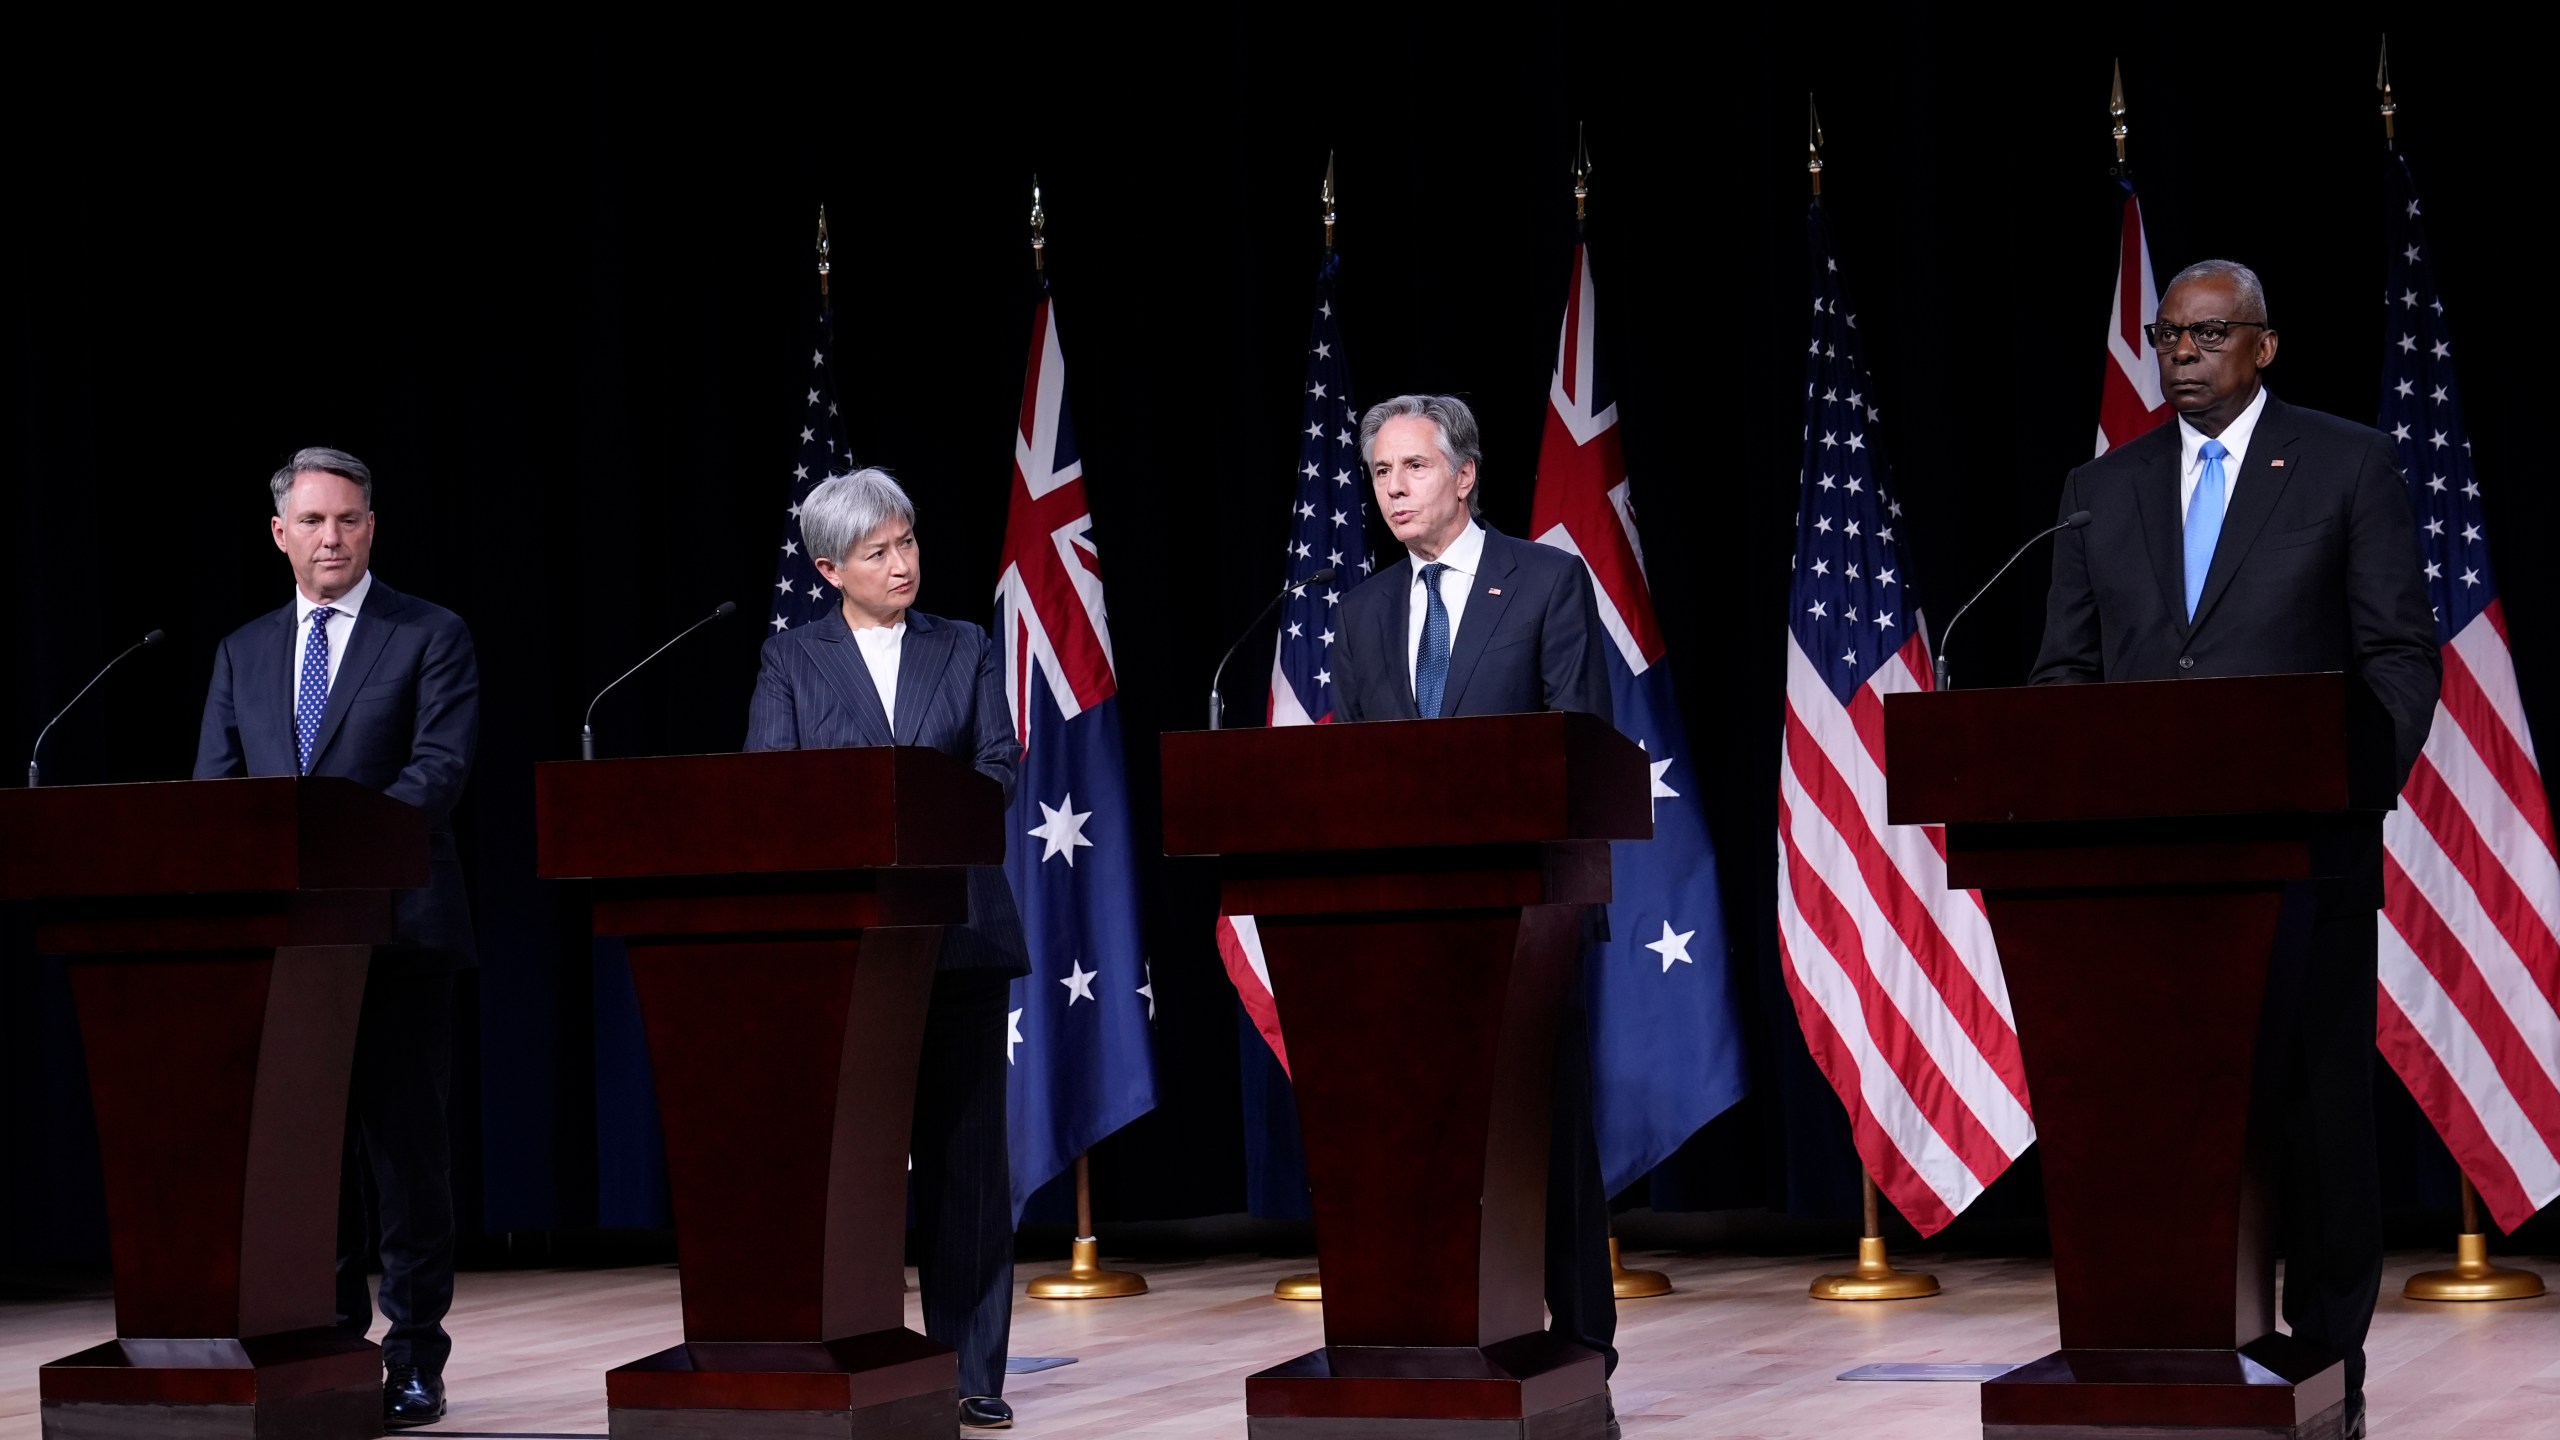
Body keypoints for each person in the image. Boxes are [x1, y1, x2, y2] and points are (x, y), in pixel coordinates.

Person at [2030, 260, 2439, 1440]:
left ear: (2263, 346)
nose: (2182, 354)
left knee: (2315, 1120)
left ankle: (2325, 1363)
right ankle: (2170, 1350)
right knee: (2164, 1121)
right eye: (2167, 335)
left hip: (2304, 858)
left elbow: (2399, 655)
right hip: (2142, 882)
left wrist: (2349, 786)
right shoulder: (2096, 489)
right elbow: (2066, 676)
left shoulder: (2344, 462)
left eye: (2208, 335)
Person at [1329, 394, 1619, 1429]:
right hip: (1401, 928)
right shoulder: (1359, 612)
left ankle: (1581, 1337)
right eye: (1380, 473)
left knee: (1547, 1131)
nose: (1395, 488)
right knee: (1424, 1138)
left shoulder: (1544, 582)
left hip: (1526, 921)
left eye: (1413, 467)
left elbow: (1578, 748)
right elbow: (1349, 768)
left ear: (1465, 476)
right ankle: (1438, 1330)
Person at [196, 446, 481, 1429]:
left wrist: (331, 856)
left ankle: (413, 1361)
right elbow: (219, 796)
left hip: (399, 936)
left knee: (407, 1164)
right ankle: (327, 1345)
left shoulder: (428, 634)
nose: (332, 537)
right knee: (307, 1164)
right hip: (289, 952)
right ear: (280, 535)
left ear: (371, 527)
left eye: (349, 519)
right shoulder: (242, 651)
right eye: (313, 522)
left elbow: (437, 774)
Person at [744, 467, 1026, 1432]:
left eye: (907, 542)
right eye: (878, 552)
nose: (902, 564)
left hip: (960, 936)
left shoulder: (965, 645)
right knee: (852, 1167)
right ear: (830, 568)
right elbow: (771, 792)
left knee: (967, 1173)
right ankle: (855, 1352)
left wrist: (916, 815)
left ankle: (973, 1369)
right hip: (847, 953)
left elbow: (997, 767)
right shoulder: (791, 659)